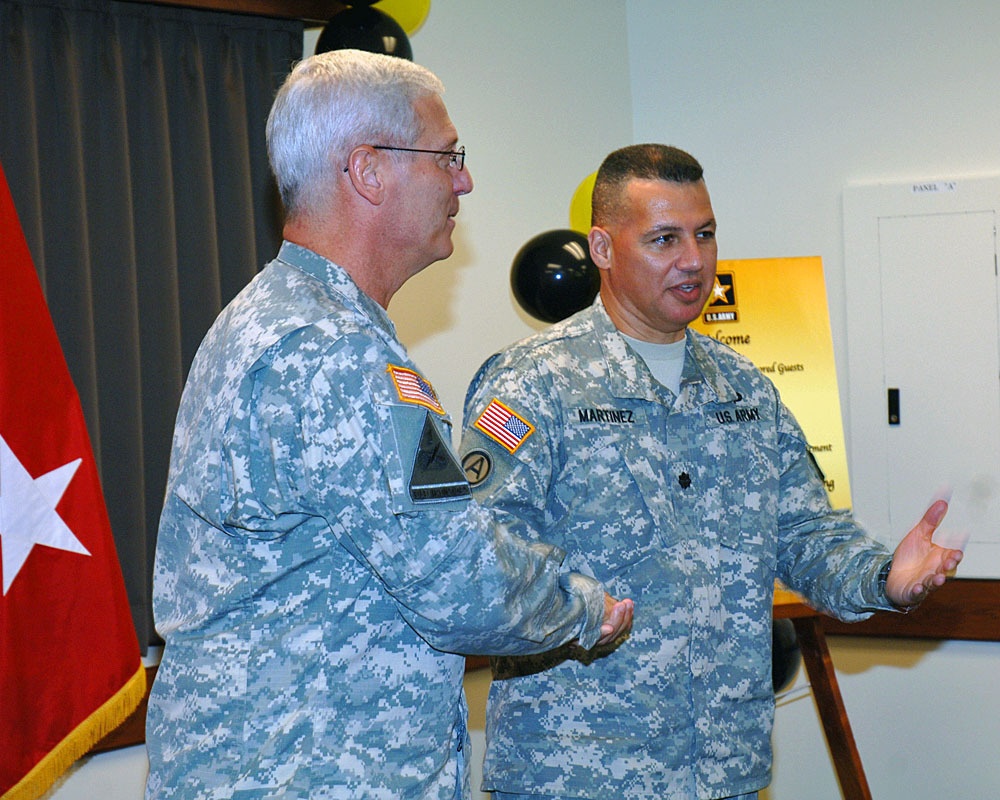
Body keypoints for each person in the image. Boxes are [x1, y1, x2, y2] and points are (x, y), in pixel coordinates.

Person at [144, 50, 633, 800]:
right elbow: (459, 575)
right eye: (448, 157)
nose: (464, 181)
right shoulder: (337, 353)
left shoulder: (272, 318)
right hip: (317, 776)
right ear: (368, 170)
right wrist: (585, 607)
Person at [458, 143, 963, 800]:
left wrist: (881, 577)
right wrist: (581, 610)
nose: (693, 260)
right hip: (580, 777)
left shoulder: (745, 390)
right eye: (664, 239)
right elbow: (482, 556)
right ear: (603, 249)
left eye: (704, 234)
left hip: (723, 772)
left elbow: (806, 531)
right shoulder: (535, 384)